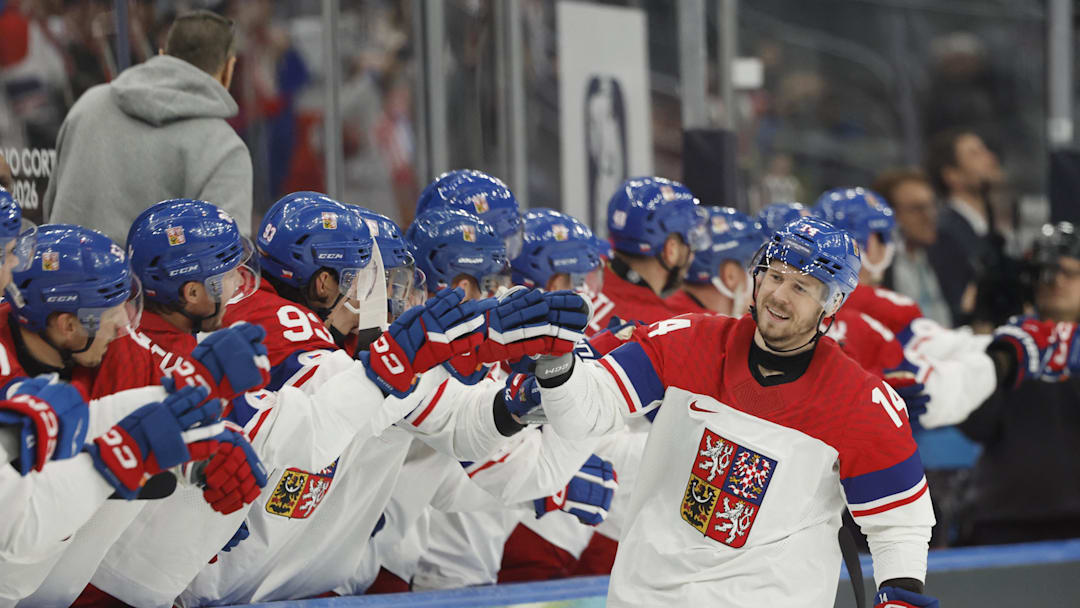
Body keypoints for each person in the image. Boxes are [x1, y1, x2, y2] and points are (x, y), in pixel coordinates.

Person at [529, 216, 938, 607]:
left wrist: (900, 597)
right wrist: (555, 362)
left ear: (830, 305)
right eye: (775, 276)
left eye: (801, 287)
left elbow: (900, 525)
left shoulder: (860, 403)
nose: (778, 295)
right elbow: (585, 414)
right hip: (650, 598)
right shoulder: (688, 341)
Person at [44, 10, 253, 244]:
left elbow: (51, 207)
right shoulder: (224, 147)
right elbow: (225, 259)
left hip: (58, 275)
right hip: (147, 281)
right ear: (228, 68)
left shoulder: (87, 106)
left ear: (163, 55)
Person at [958, 222, 1080, 545]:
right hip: (1005, 515)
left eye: (1069, 272)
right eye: (1045, 272)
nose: (1055, 282)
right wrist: (986, 339)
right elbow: (976, 424)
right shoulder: (1008, 346)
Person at [588, 176, 709, 334]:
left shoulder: (579, 267)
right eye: (691, 241)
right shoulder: (658, 329)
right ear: (671, 250)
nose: (692, 256)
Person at [924, 129, 1007, 324]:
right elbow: (957, 306)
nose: (991, 158)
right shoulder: (945, 234)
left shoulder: (987, 232)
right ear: (952, 175)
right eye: (975, 154)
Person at [871, 169, 952, 327]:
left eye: (932, 206)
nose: (930, 216)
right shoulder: (879, 267)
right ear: (890, 215)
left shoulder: (943, 256)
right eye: (917, 209)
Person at [665, 207, 763, 316]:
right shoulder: (712, 330)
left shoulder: (661, 311)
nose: (758, 280)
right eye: (751, 264)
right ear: (731, 276)